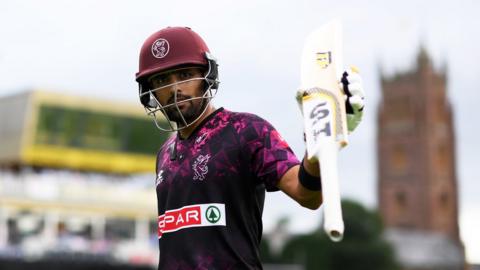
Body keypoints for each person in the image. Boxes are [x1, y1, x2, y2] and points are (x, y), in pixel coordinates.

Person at [135, 26, 365, 269]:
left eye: (184, 75)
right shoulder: (164, 154)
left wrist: (319, 142)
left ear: (207, 74)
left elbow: (307, 195)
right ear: (150, 92)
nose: (174, 89)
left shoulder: (246, 131)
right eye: (162, 80)